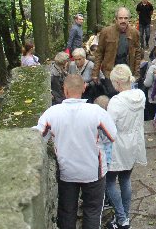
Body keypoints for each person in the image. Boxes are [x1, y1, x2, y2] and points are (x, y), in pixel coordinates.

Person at [34, 74, 117, 229]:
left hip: (67, 172)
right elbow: (112, 136)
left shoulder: (52, 113)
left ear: (64, 90)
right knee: (93, 211)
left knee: (66, 212)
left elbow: (37, 137)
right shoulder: (96, 112)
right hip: (93, 170)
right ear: (84, 88)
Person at [105, 64, 147, 229]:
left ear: (117, 82)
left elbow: (109, 127)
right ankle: (125, 216)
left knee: (109, 181)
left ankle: (121, 218)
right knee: (125, 179)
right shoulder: (140, 95)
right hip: (134, 143)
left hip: (118, 145)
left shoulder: (116, 102)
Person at [92, 8, 144, 98]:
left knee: (126, 96)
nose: (123, 21)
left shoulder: (134, 33)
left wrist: (136, 73)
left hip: (127, 71)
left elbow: (138, 54)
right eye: (120, 18)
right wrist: (95, 73)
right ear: (116, 19)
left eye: (125, 18)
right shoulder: (106, 32)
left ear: (129, 19)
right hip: (110, 71)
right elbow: (99, 53)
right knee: (112, 95)